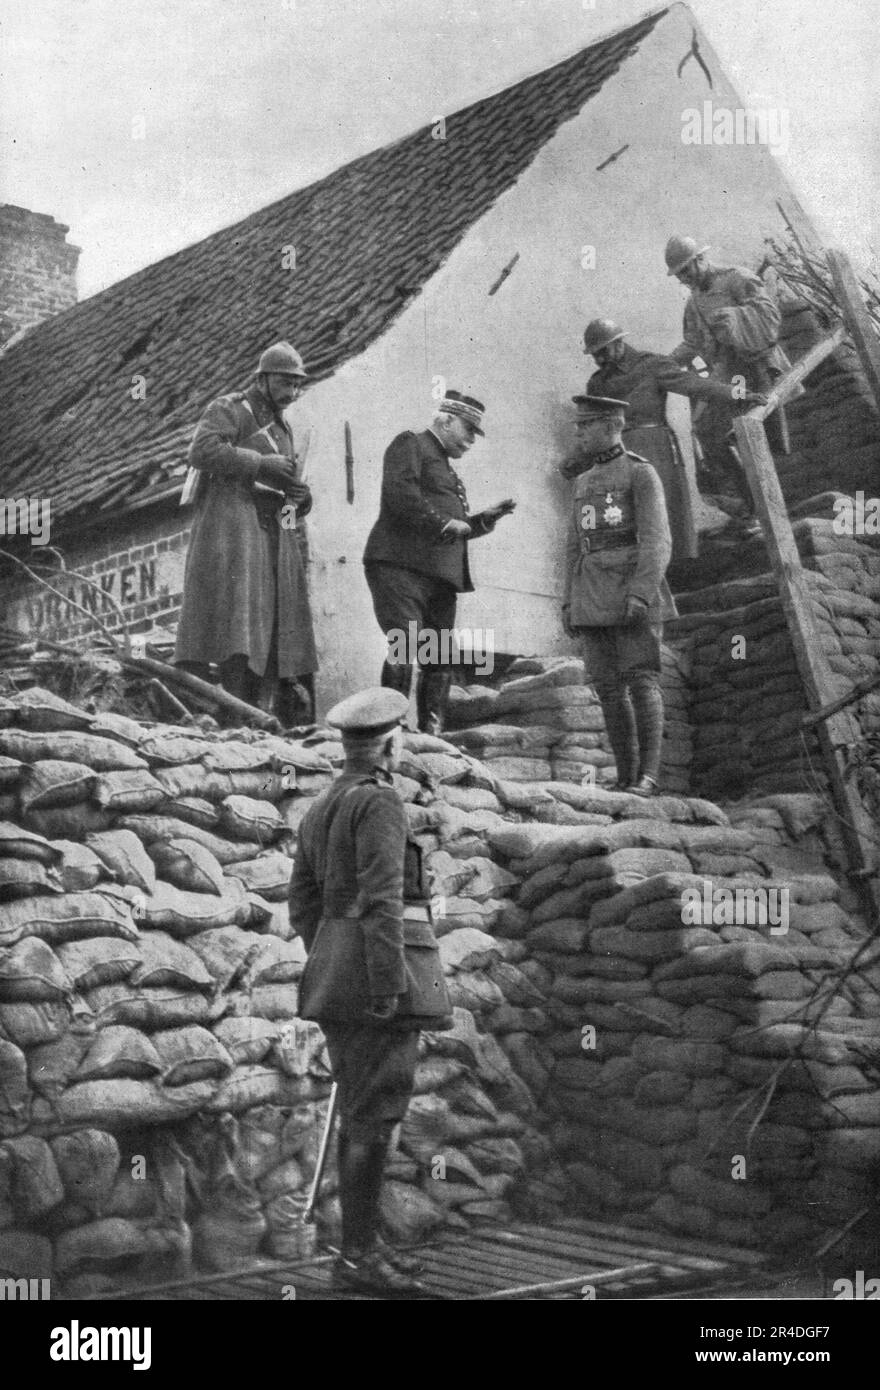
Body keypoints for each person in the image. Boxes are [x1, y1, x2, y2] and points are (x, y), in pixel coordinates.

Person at [288, 687, 431, 1296]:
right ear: (390, 744)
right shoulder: (380, 803)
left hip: (334, 975)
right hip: (375, 982)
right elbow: (383, 900)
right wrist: (384, 984)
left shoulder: (319, 805)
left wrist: (327, 956)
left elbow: (301, 903)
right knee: (374, 1117)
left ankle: (360, 1251)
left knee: (359, 1113)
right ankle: (357, 1262)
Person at [174, 341, 318, 725]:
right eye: (286, 382)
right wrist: (260, 464)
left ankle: (261, 716)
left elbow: (287, 496)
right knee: (238, 626)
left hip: (273, 532)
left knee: (269, 632)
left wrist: (299, 499)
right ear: (264, 378)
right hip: (233, 525)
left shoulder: (286, 430)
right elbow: (202, 451)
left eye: (297, 385)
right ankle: (233, 715)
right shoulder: (230, 409)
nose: (293, 392)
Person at [363, 390, 516, 732]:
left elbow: (451, 529)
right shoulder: (411, 444)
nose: (472, 440)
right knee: (405, 642)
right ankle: (391, 729)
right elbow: (401, 496)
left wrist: (482, 521)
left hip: (438, 577)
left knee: (438, 655)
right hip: (400, 567)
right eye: (469, 430)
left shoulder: (446, 467)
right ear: (445, 420)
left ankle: (432, 734)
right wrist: (445, 522)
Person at [562, 395, 677, 797]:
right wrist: (567, 601)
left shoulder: (640, 473)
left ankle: (648, 776)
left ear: (612, 426)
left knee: (641, 682)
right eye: (579, 426)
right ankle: (625, 776)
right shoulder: (582, 481)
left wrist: (642, 594)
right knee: (608, 689)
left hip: (630, 589)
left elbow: (658, 540)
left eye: (586, 426)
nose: (578, 433)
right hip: (591, 595)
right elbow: (575, 547)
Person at [579, 317, 766, 557]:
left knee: (664, 508)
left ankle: (679, 564)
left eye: (602, 351)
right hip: (619, 454)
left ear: (618, 344)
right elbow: (592, 424)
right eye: (595, 355)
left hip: (656, 448)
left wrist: (739, 394)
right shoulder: (596, 384)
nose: (599, 359)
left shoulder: (651, 365)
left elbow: (694, 384)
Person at [664, 235, 795, 526]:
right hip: (729, 372)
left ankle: (773, 511)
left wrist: (734, 318)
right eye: (679, 275)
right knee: (708, 430)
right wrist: (664, 365)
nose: (684, 279)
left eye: (686, 270)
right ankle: (754, 505)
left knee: (759, 434)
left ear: (701, 259)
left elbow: (770, 317)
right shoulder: (695, 301)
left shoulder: (738, 278)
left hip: (757, 365)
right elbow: (693, 342)